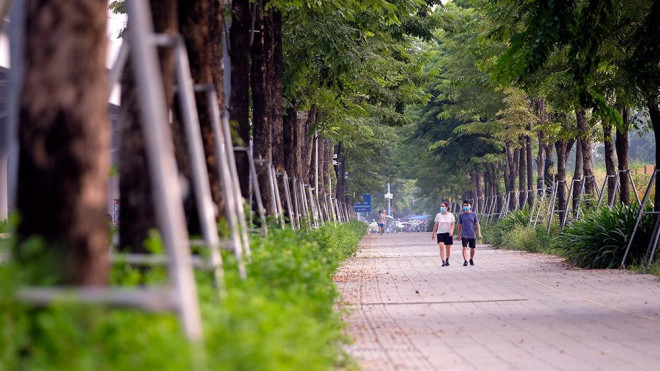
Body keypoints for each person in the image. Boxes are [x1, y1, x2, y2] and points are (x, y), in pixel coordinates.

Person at [457, 200, 483, 266]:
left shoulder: (473, 214)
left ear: (470, 206)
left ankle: (471, 259)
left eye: (467, 205)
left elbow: (477, 224)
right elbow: (459, 225)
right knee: (464, 247)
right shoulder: (462, 215)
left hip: (472, 234)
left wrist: (479, 233)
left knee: (472, 248)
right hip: (464, 234)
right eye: (465, 205)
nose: (466, 207)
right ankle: (465, 260)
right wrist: (459, 234)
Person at [431, 201, 455, 267]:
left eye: (443, 206)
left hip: (448, 233)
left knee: (448, 248)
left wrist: (452, 231)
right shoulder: (438, 215)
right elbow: (435, 225)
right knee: (441, 247)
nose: (442, 207)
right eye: (441, 206)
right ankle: (443, 261)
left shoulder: (451, 215)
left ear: (447, 207)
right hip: (440, 233)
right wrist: (433, 233)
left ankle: (447, 259)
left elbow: (453, 224)